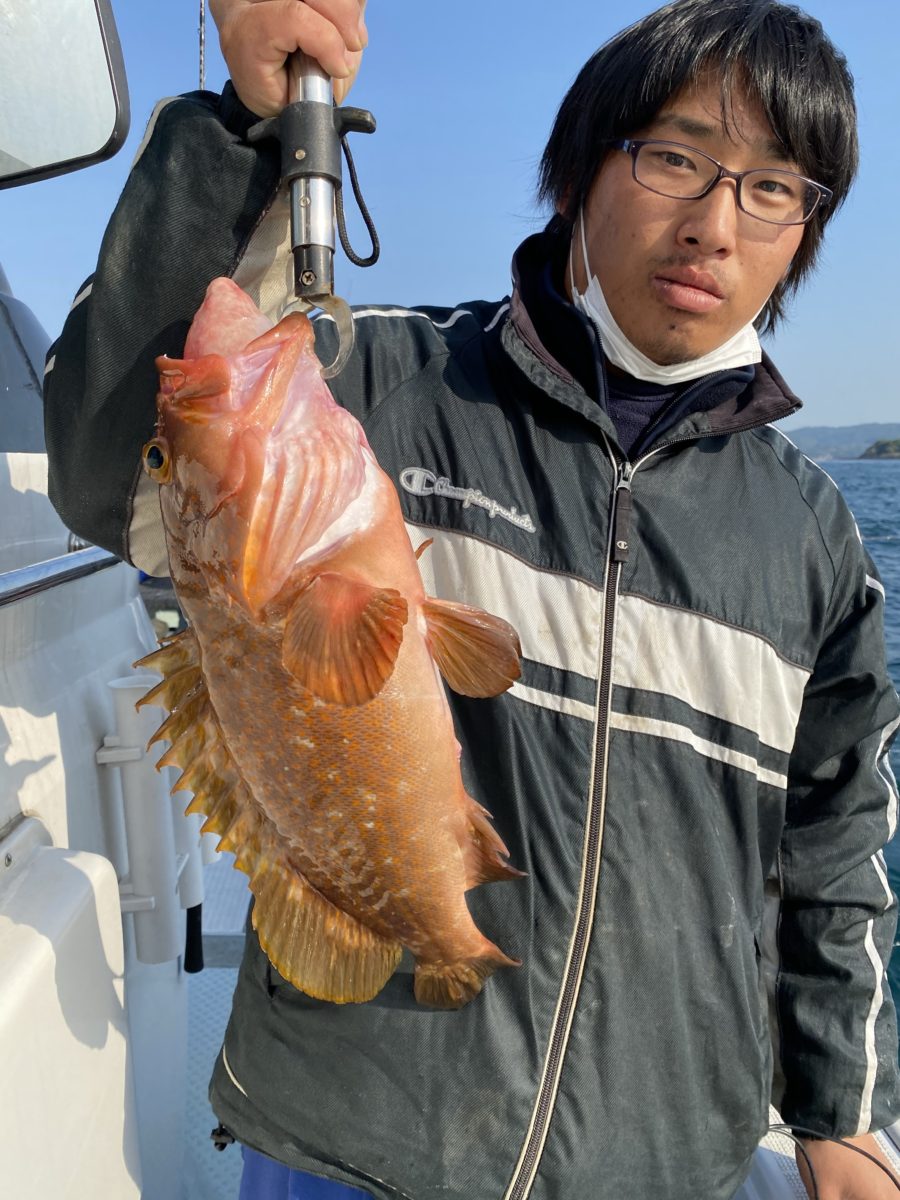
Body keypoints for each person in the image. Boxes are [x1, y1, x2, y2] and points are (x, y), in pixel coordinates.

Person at [42, 1, 900, 1197]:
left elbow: (833, 848)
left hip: (663, 1161)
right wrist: (242, 129)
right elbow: (110, 470)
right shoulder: (377, 381)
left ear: (806, 233)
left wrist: (844, 1116)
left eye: (773, 189)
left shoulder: (814, 539)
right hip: (351, 1144)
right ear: (576, 171)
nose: (715, 224)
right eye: (675, 157)